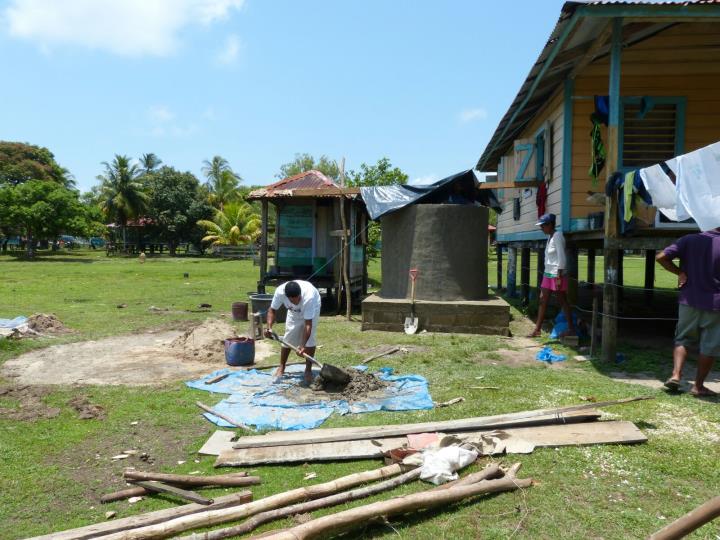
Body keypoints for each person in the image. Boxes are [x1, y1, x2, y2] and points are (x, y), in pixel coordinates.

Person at [656, 228, 720, 397]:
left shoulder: (688, 239)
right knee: (710, 346)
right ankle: (698, 386)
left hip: (689, 300)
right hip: (716, 304)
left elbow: (661, 257)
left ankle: (676, 375)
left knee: (683, 338)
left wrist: (680, 272)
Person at [264, 280, 321, 384]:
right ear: (287, 297)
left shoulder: (309, 297)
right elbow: (272, 310)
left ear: (300, 294)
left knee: (310, 339)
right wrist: (269, 328)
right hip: (293, 312)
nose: (297, 301)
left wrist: (303, 345)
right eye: (293, 300)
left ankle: (308, 370)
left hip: (313, 307)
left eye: (298, 299)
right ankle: (282, 366)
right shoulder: (280, 292)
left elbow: (308, 324)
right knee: (289, 336)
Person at [529, 213, 576, 338]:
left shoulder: (558, 236)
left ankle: (571, 328)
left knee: (562, 301)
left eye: (543, 226)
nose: (541, 228)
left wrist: (559, 276)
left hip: (557, 274)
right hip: (547, 274)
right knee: (542, 300)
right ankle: (537, 329)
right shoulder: (550, 237)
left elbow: (562, 257)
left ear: (550, 225)